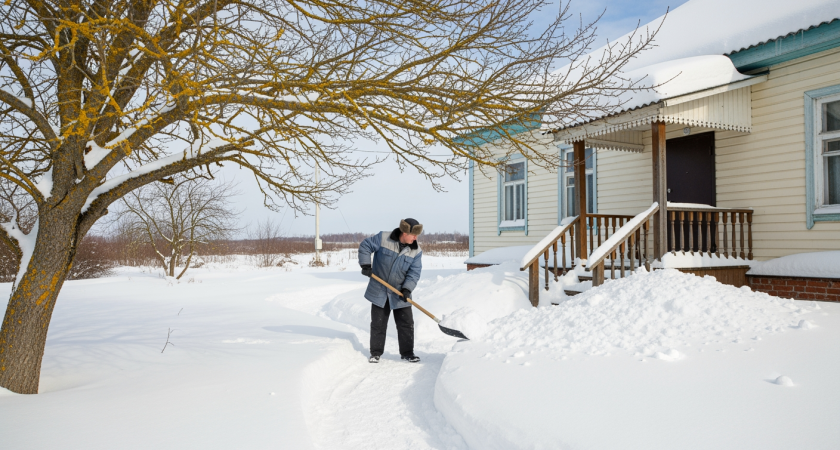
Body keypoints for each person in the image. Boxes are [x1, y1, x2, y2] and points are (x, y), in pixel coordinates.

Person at [358, 218, 423, 363]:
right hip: (379, 290)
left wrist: (407, 288)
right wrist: (366, 265)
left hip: (400, 292)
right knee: (378, 323)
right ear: (405, 232)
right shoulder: (383, 238)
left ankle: (407, 353)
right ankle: (375, 353)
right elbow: (365, 245)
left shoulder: (416, 251)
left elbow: (414, 273)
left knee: (406, 323)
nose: (416, 238)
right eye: (413, 234)